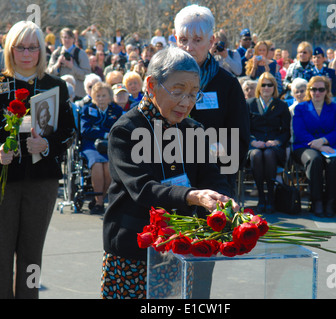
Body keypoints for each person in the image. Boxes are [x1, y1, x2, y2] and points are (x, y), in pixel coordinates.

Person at [101, 46, 238, 299]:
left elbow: (212, 175)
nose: (186, 102)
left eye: (194, 94)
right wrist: (192, 196)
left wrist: (223, 199)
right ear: (151, 86)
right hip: (135, 247)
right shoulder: (126, 130)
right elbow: (142, 188)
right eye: (178, 92)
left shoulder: (193, 129)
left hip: (183, 246)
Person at [0, 20, 75, 299]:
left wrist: (48, 144)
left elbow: (68, 132)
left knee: (32, 255)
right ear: (10, 49)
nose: (27, 54)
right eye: (20, 48)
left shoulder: (56, 86)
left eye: (33, 47)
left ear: (41, 50)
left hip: (42, 182)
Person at [174, 4, 250, 196]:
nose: (189, 47)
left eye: (197, 40)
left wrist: (204, 152)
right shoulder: (163, 80)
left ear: (211, 41)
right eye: (183, 40)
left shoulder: (227, 84)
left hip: (215, 180)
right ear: (175, 39)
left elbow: (239, 140)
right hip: (172, 180)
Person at [292, 76, 336, 217]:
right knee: (315, 160)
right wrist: (319, 146)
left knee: (334, 161)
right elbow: (300, 132)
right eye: (313, 89)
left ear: (327, 91)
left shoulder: (334, 108)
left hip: (329, 145)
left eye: (321, 89)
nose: (317, 93)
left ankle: (331, 201)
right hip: (305, 146)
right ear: (309, 90)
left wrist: (323, 141)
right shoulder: (301, 108)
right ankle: (316, 201)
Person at [247, 72, 290, 213]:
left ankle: (270, 196)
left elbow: (286, 131)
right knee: (256, 155)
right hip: (254, 145)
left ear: (274, 87)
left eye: (270, 85)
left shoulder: (282, 105)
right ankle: (261, 196)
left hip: (274, 146)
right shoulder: (250, 104)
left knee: (269, 154)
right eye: (263, 85)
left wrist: (276, 141)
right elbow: (243, 128)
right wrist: (253, 141)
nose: (266, 88)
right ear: (259, 87)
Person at [81, 82, 122, 215]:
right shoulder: (87, 110)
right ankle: (99, 203)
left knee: (108, 167)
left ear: (110, 97)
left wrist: (102, 132)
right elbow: (85, 130)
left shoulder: (116, 110)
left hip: (109, 145)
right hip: (91, 145)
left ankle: (99, 198)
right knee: (97, 165)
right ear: (93, 97)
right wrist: (104, 133)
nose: (101, 99)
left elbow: (119, 129)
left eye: (104, 95)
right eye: (98, 96)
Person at [47, 28, 91, 99]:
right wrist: (57, 65)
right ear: (61, 39)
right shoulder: (56, 53)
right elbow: (48, 74)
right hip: (60, 94)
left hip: (77, 95)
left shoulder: (80, 53)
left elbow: (87, 75)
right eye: (64, 37)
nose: (67, 40)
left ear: (73, 39)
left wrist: (71, 66)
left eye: (69, 37)